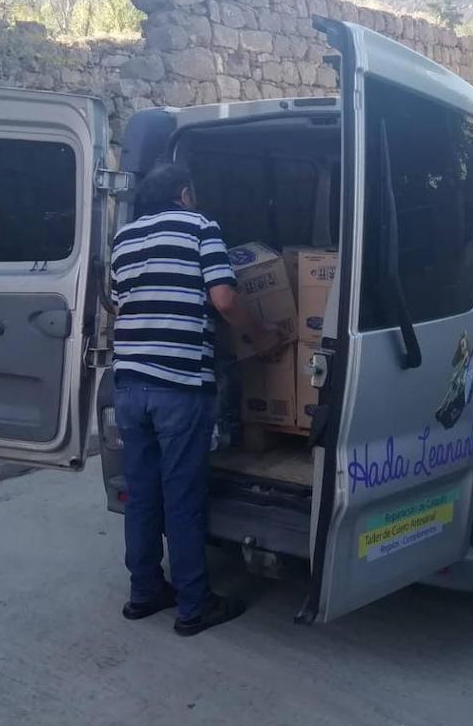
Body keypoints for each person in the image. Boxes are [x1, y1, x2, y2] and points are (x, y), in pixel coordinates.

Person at [106, 163, 276, 637]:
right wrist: (260, 336)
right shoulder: (199, 226)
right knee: (182, 496)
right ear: (185, 194)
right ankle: (194, 605)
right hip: (179, 386)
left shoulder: (124, 239)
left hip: (129, 385)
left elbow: (118, 305)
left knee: (142, 494)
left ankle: (144, 592)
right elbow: (223, 300)